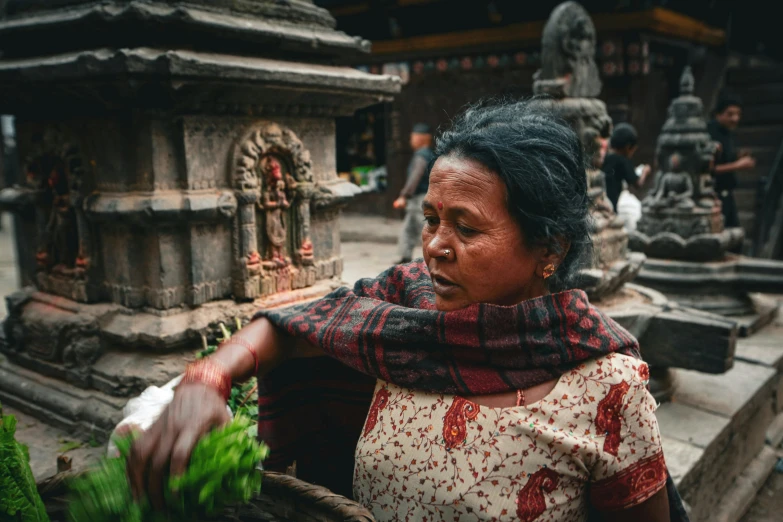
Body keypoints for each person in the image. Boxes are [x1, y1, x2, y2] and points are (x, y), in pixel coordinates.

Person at [128, 100, 687, 521]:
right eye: (432, 219)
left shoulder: (607, 388)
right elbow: (290, 325)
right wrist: (205, 381)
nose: (436, 245)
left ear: (549, 249)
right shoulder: (409, 303)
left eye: (466, 228)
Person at [708, 94, 756, 233]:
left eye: (737, 114)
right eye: (730, 114)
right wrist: (738, 165)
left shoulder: (728, 133)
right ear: (719, 114)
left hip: (727, 194)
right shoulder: (712, 133)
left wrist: (737, 157)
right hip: (715, 195)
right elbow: (709, 168)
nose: (735, 119)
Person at [393, 122, 435, 263]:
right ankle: (405, 256)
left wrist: (404, 196)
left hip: (420, 199)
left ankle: (434, 256)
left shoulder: (421, 156)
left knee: (424, 228)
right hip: (424, 197)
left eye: (413, 137)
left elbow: (415, 177)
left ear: (423, 138)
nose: (411, 140)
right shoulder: (429, 154)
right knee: (410, 228)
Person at [602, 123, 651, 212]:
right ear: (628, 147)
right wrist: (645, 171)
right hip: (613, 202)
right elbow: (637, 183)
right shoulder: (623, 160)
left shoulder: (606, 156)